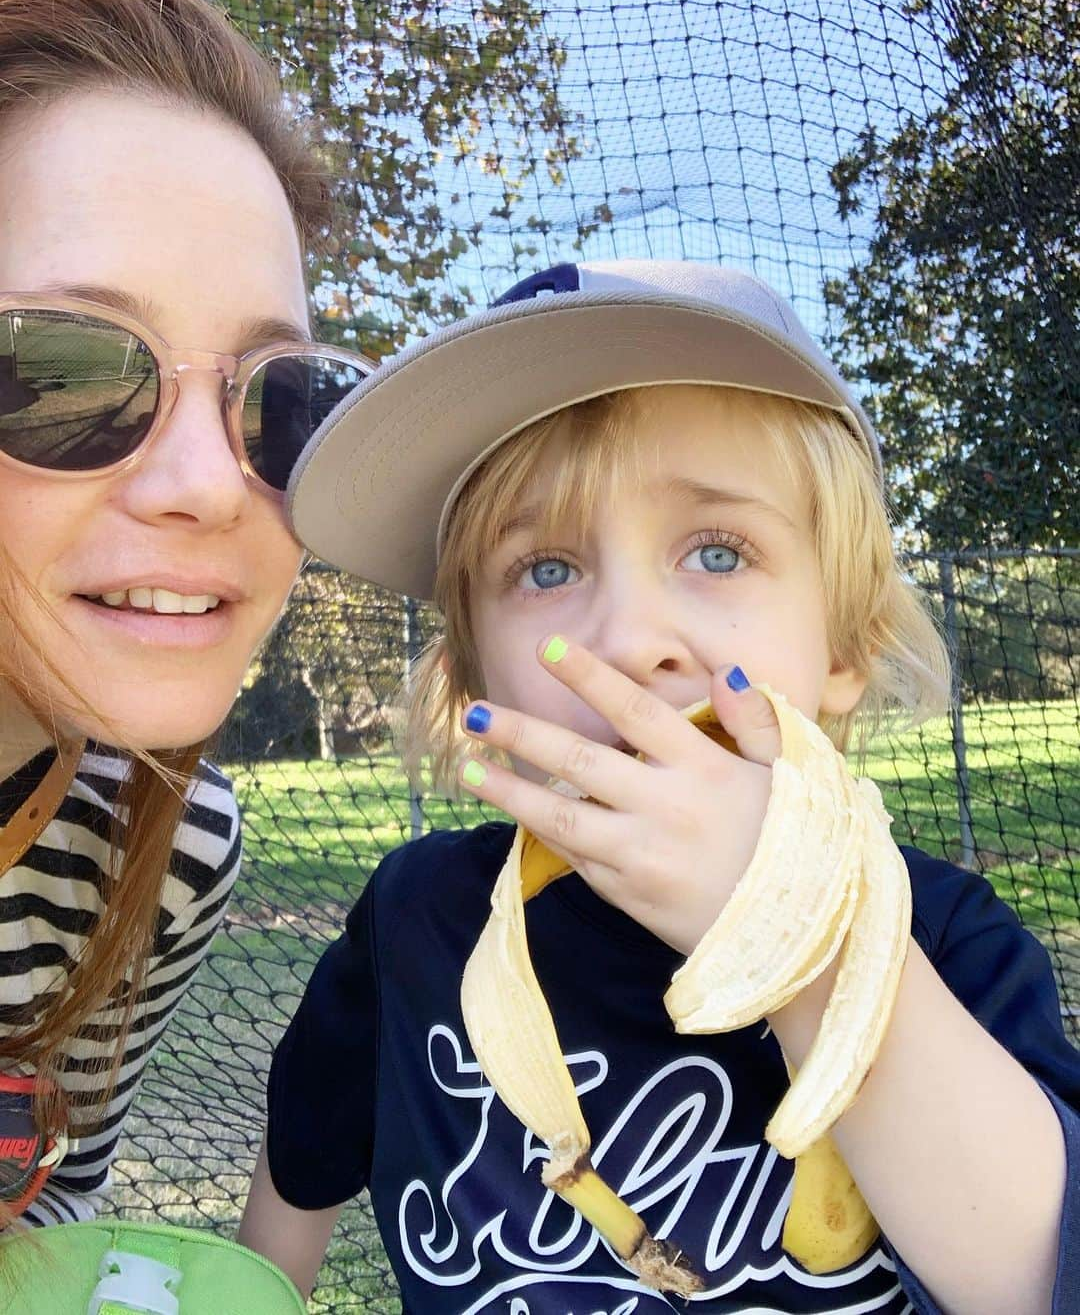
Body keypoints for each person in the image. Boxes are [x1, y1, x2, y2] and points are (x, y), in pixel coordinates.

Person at [241, 260, 1079, 1313]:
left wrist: (804, 939)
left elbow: (1035, 1277)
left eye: (718, 552)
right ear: (470, 678)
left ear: (845, 647)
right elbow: (302, 1160)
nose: (630, 642)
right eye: (545, 570)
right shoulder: (418, 922)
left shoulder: (948, 941)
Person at [0, 0, 369, 1227]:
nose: (215, 488)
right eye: (62, 369)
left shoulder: (161, 854)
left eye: (280, 398)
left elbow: (52, 1212)